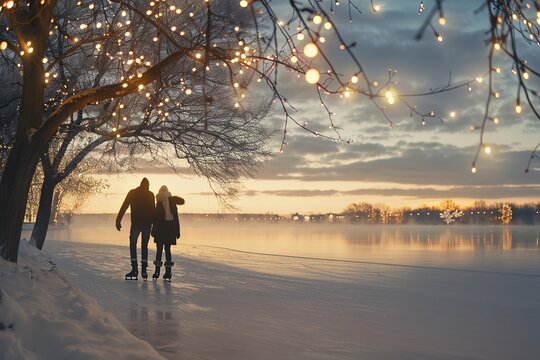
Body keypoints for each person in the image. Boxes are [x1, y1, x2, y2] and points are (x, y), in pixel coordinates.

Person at [116, 177, 155, 280]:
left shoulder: (133, 193)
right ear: (147, 186)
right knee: (144, 246)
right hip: (146, 224)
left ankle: (135, 269)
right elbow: (153, 211)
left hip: (137, 223)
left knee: (133, 244)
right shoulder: (150, 194)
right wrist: (154, 225)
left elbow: (124, 206)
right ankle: (144, 271)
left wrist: (118, 220)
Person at [151, 185, 184, 282]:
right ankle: (168, 273)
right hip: (170, 229)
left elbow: (155, 219)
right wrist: (177, 231)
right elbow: (176, 218)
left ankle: (157, 272)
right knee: (168, 250)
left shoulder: (159, 201)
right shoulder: (172, 201)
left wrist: (153, 230)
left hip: (161, 229)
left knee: (159, 251)